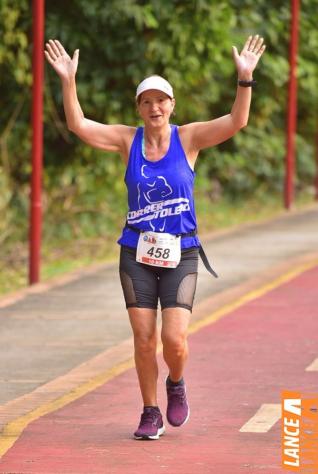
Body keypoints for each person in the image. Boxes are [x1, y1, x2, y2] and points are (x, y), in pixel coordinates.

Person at [45, 34, 266, 440]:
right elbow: (78, 125)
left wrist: (245, 79)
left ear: (172, 105)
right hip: (136, 252)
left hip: (181, 253)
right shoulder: (127, 140)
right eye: (146, 101)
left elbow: (237, 122)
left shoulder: (190, 138)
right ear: (139, 108)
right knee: (144, 339)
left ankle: (176, 383)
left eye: (161, 100)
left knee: (173, 340)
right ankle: (150, 412)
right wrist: (68, 80)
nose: (154, 107)